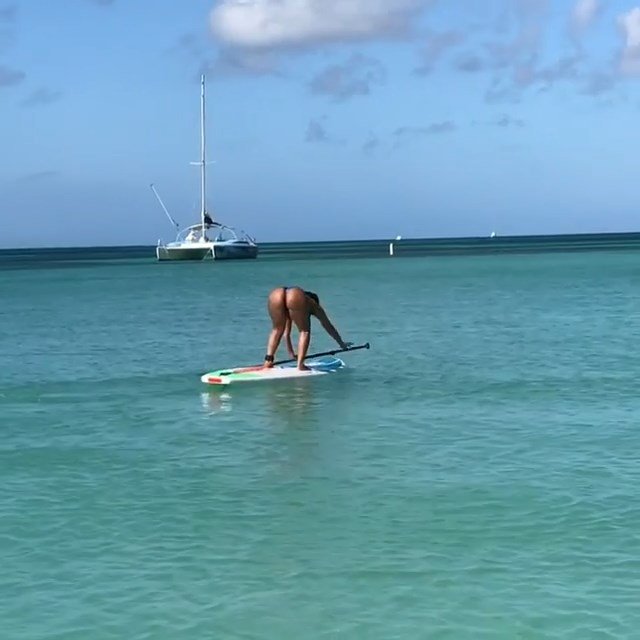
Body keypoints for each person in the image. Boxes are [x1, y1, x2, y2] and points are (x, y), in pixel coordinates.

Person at [263, 286, 350, 371]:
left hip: (276, 294)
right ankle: (300, 365)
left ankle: (268, 361)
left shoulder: (291, 309)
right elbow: (328, 326)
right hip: (295, 294)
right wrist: (341, 343)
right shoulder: (313, 304)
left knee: (277, 329)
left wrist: (291, 354)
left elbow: (287, 334)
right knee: (304, 331)